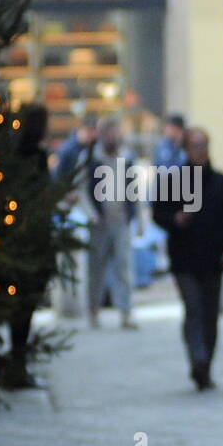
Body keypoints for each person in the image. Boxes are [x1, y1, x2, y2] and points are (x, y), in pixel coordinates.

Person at [151, 128, 223, 391]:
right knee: (194, 309)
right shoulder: (173, 182)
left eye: (204, 145)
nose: (201, 150)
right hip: (184, 259)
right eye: (195, 146)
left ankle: (205, 365)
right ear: (186, 149)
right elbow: (158, 213)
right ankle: (198, 359)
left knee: (209, 314)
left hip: (213, 260)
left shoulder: (222, 184)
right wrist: (175, 220)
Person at [6, 105, 56, 388]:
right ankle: (16, 365)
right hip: (30, 243)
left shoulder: (12, 156)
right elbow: (40, 197)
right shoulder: (34, 158)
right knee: (23, 308)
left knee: (20, 309)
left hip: (22, 242)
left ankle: (16, 364)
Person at [80, 118, 140, 330]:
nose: (112, 137)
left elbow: (134, 190)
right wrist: (92, 215)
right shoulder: (90, 159)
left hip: (121, 221)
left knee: (124, 267)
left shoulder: (127, 158)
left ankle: (126, 312)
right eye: (108, 133)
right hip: (99, 223)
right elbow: (82, 190)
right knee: (96, 269)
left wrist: (137, 219)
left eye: (115, 133)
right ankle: (93, 311)